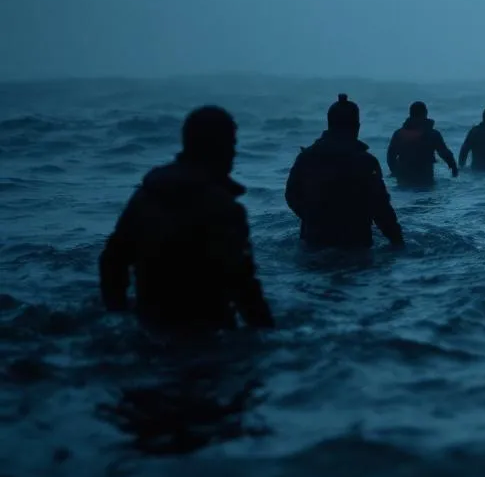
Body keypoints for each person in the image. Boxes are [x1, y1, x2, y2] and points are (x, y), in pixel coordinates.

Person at [99, 106, 274, 331]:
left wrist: (118, 313)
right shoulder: (222, 208)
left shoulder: (147, 195)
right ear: (218, 148)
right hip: (207, 333)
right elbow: (243, 286)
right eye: (230, 144)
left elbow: (112, 260)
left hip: (150, 324)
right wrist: (268, 334)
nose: (234, 153)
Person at [286, 94, 404, 249]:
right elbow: (381, 208)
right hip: (356, 243)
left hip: (315, 241)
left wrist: (313, 218)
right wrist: (398, 242)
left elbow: (291, 195)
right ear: (357, 127)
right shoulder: (366, 162)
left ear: (329, 124)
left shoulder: (306, 157)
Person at [386, 101, 459, 186]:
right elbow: (444, 153)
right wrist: (454, 169)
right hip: (425, 178)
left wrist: (395, 172)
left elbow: (390, 156)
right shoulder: (432, 134)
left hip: (404, 178)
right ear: (425, 113)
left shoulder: (399, 134)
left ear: (410, 114)